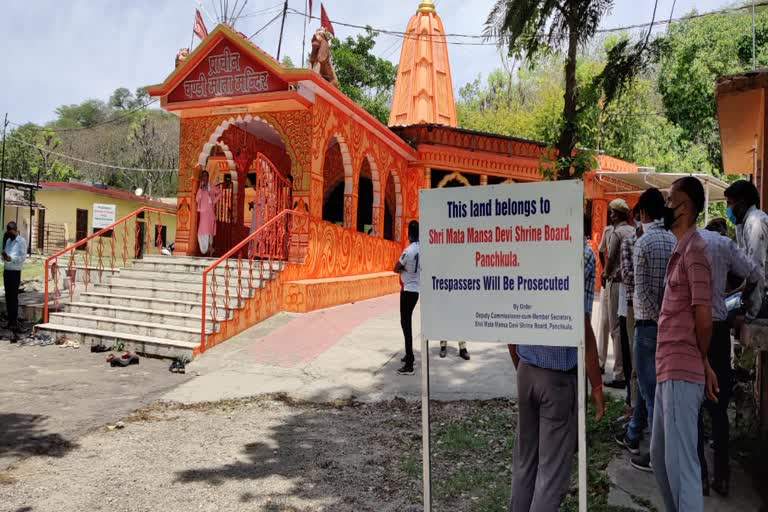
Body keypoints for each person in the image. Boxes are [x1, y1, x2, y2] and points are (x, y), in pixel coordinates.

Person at [506, 218, 605, 511]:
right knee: (551, 474)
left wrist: (519, 359)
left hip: (527, 368)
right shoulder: (582, 253)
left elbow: (513, 311)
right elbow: (582, 325)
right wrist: (596, 384)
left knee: (525, 462)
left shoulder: (530, 247)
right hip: (557, 378)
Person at [650, 176, 717, 512]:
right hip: (670, 369)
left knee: (683, 468)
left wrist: (699, 358)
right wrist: (703, 363)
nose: (665, 206)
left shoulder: (696, 252)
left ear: (685, 206)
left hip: (680, 370)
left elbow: (704, 321)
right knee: (660, 460)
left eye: (670, 199)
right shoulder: (682, 249)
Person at [698, 222, 762, 496]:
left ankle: (698, 476)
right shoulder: (724, 245)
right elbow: (755, 273)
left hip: (691, 329)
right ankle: (721, 477)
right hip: (718, 330)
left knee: (692, 408)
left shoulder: (689, 240)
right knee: (719, 407)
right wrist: (735, 296)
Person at [615, 188, 676, 472]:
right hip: (669, 325)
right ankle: (634, 432)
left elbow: (641, 289)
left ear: (643, 213)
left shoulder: (643, 242)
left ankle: (656, 454)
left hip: (648, 325)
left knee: (651, 393)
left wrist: (654, 315)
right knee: (650, 387)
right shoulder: (673, 239)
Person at [725, 179, 768, 316]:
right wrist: (730, 295)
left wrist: (752, 313)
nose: (728, 209)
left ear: (742, 203)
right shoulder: (743, 224)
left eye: (730, 203)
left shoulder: (756, 222)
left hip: (763, 299)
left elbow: (757, 272)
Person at [603, 198, 634, 387]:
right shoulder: (632, 230)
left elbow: (611, 258)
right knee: (628, 327)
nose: (610, 215)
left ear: (617, 214)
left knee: (616, 329)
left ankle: (619, 373)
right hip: (631, 284)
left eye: (612, 212)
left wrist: (605, 274)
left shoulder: (616, 233)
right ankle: (628, 370)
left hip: (616, 283)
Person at [618, 216, 639, 409]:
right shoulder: (671, 238)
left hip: (631, 306)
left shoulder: (628, 239)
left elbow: (626, 276)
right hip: (660, 310)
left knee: (632, 359)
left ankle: (632, 405)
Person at [395, 221, 420, 376]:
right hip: (416, 290)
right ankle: (408, 354)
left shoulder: (409, 250)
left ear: (409, 233)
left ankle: (409, 361)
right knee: (407, 322)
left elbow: (395, 267)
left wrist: (404, 269)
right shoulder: (422, 249)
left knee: (406, 324)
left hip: (407, 290)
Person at [3, 222, 27, 333]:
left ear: (16, 230)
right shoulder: (8, 241)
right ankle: (10, 322)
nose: (10, 234)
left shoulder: (21, 241)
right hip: (7, 271)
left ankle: (14, 322)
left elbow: (22, 257)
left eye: (11, 232)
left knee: (13, 297)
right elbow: (5, 256)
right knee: (8, 297)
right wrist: (4, 257)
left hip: (15, 272)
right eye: (9, 232)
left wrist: (11, 259)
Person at [597, 222, 614, 373]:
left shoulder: (632, 230)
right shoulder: (608, 230)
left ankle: (619, 367)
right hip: (608, 279)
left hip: (619, 281)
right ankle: (600, 362)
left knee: (616, 326)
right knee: (603, 322)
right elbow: (601, 251)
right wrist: (605, 271)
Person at [195, 168, 222, 257]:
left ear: (208, 177)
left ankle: (209, 249)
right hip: (203, 213)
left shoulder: (211, 186)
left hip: (210, 213)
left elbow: (220, 193)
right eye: (202, 176)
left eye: (205, 176)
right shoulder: (201, 187)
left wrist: (214, 201)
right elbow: (197, 199)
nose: (204, 178)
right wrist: (200, 189)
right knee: (201, 232)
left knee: (209, 231)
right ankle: (209, 249)